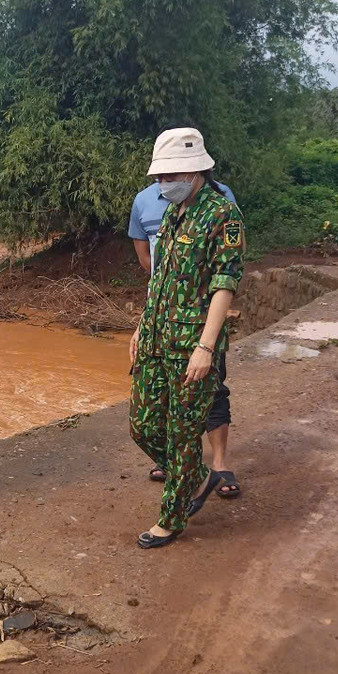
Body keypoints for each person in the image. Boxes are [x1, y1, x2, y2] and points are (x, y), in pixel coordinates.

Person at [129, 128, 245, 548]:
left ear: (196, 171)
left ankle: (171, 519)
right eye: (159, 177)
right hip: (157, 338)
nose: (162, 184)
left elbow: (223, 284)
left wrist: (205, 347)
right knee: (142, 425)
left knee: (181, 433)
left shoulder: (222, 215)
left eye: (169, 176)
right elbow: (160, 277)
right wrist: (143, 325)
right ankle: (194, 474)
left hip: (192, 346)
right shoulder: (174, 212)